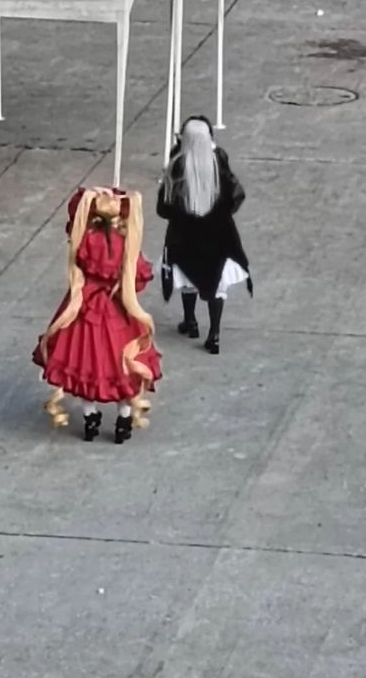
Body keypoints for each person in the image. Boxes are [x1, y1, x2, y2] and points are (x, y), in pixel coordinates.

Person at [33, 187, 161, 444]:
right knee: (123, 370)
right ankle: (123, 422)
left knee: (86, 367)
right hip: (118, 312)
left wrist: (89, 194)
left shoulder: (86, 240)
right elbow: (139, 280)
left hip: (84, 310)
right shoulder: (127, 245)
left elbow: (74, 217)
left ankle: (90, 420)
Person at [157, 115, 252, 355]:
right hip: (217, 236)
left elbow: (163, 207)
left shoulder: (177, 166)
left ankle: (190, 321)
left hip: (184, 236)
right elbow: (235, 196)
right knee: (216, 282)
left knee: (187, 278)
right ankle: (215, 333)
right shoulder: (219, 161)